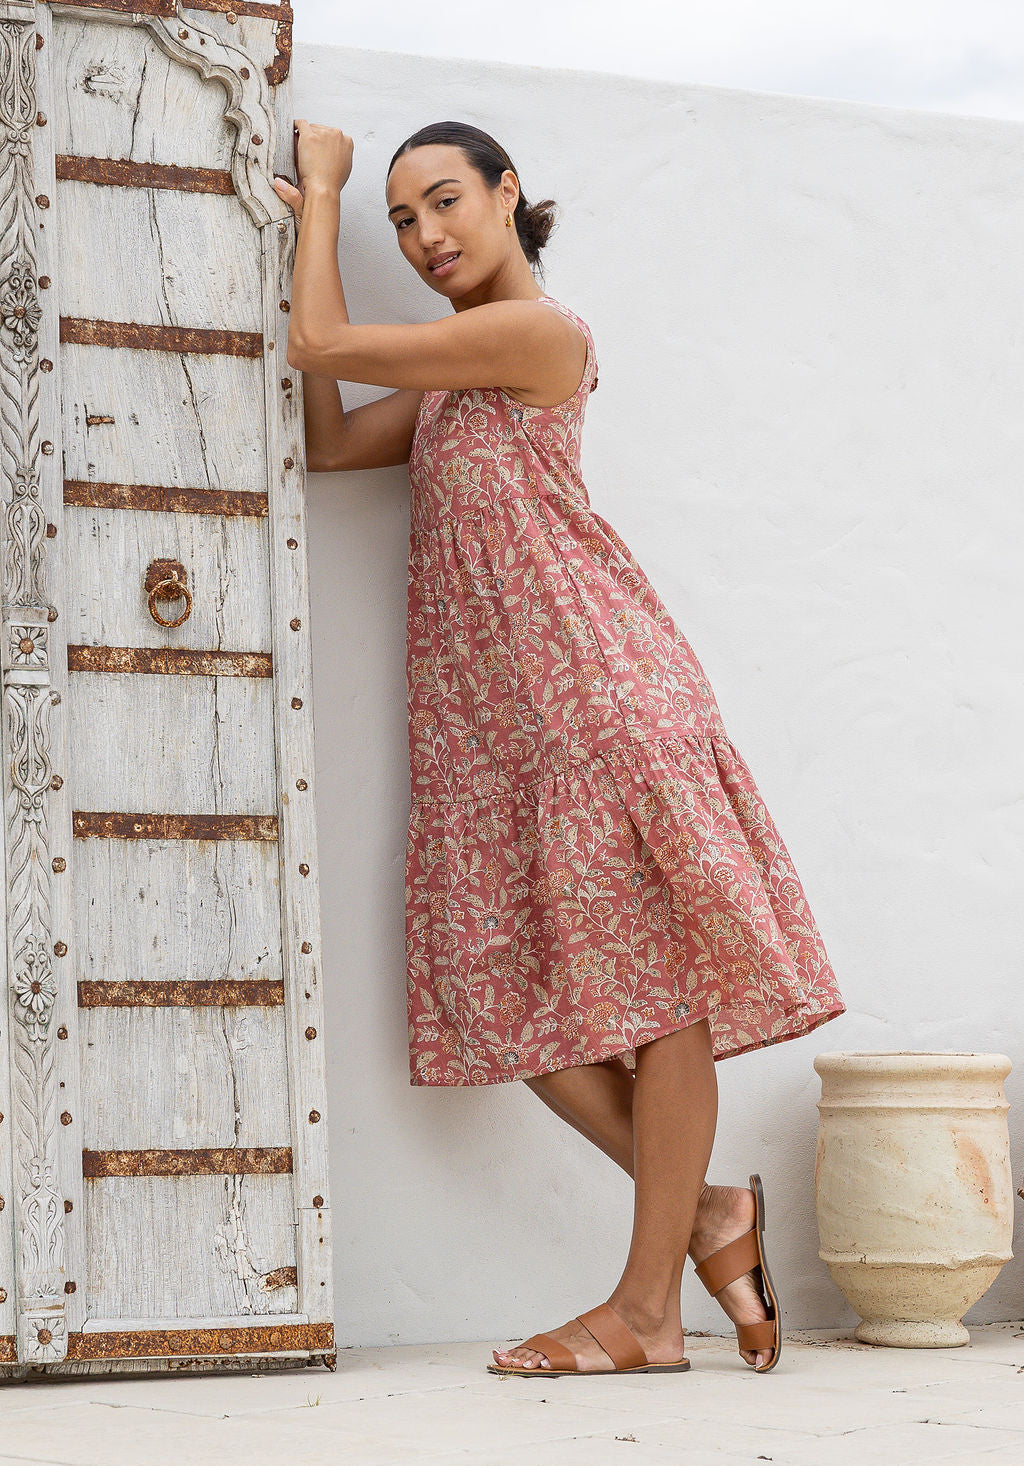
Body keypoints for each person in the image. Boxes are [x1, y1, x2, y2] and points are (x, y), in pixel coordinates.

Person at [272, 117, 847, 1380]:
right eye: (403, 220)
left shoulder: (538, 333)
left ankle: (645, 1312)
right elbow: (320, 438)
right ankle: (704, 1214)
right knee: (496, 994)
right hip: (500, 734)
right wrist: (307, 239)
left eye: (441, 204)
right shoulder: (447, 383)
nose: (424, 237)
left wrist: (320, 191)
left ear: (507, 192)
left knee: (662, 994)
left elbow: (318, 337)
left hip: (600, 695)